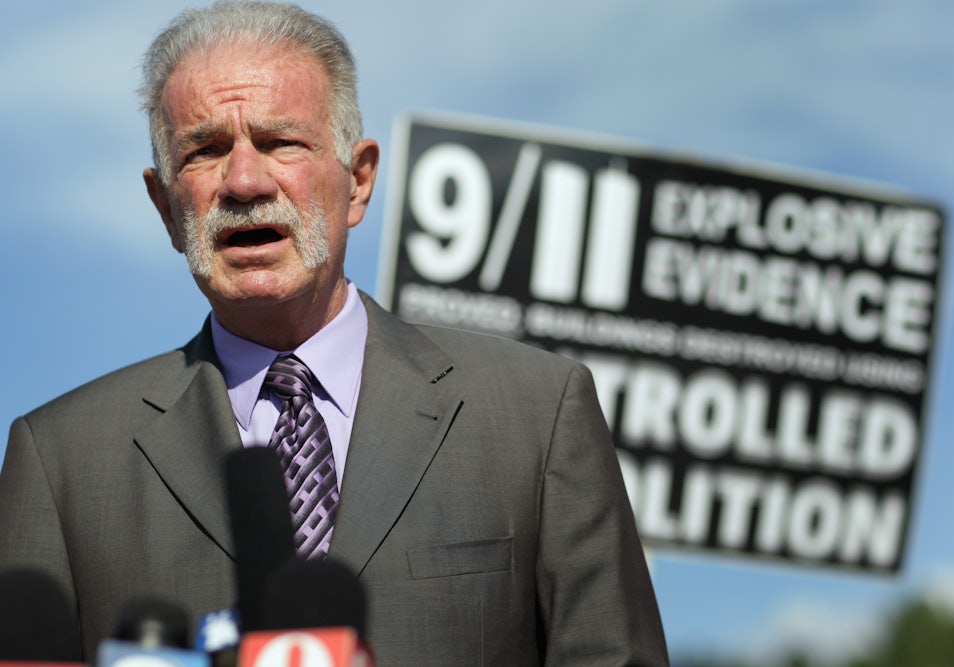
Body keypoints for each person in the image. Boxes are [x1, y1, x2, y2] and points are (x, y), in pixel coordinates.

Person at [0, 2, 669, 664]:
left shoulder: (536, 413)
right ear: (166, 206)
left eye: (280, 141)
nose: (243, 179)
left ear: (358, 180)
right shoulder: (60, 461)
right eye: (204, 150)